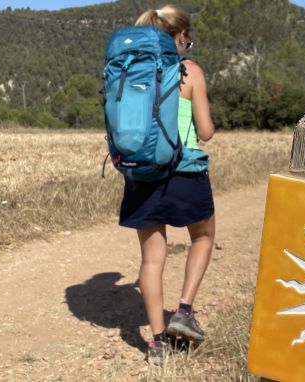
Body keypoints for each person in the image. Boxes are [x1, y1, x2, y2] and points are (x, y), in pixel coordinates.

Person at [119, 5, 216, 364]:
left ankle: (157, 344)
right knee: (203, 236)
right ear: (182, 36)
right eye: (187, 36)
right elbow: (204, 132)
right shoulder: (189, 72)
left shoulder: (130, 73)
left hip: (141, 174)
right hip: (184, 171)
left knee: (151, 259)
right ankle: (185, 311)